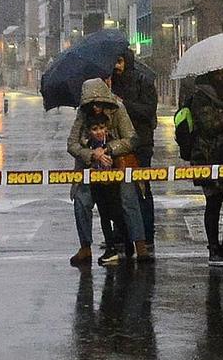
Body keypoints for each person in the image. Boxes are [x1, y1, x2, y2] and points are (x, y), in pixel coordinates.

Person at [65, 78, 144, 267]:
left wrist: (108, 149)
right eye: (92, 104)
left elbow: (132, 139)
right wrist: (92, 154)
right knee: (81, 200)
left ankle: (140, 244)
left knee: (128, 199)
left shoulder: (119, 109)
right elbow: (72, 144)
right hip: (90, 167)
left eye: (99, 104)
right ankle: (85, 247)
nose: (96, 108)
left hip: (119, 165)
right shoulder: (82, 114)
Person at [177, 68, 223, 267]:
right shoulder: (201, 97)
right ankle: (214, 248)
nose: (221, 75)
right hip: (208, 157)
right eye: (217, 72)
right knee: (213, 203)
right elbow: (210, 126)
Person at [108, 51, 157, 255]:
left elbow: (147, 111)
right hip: (116, 145)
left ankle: (146, 236)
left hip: (140, 145)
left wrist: (122, 103)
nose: (117, 67)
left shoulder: (142, 81)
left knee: (142, 190)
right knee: (117, 192)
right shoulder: (109, 81)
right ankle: (121, 235)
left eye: (120, 62)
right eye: (114, 63)